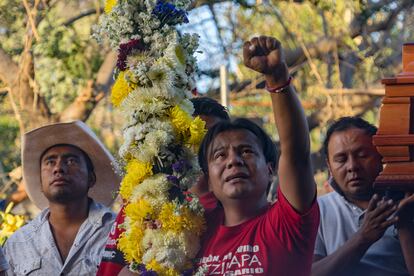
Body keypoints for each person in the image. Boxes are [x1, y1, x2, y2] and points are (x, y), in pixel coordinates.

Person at [192, 35, 319, 276]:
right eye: (220, 155)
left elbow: (296, 153)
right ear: (208, 180)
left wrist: (277, 77)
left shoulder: (287, 222)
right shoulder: (194, 231)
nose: (233, 160)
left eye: (246, 151)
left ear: (270, 168)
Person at [96, 97, 230, 276]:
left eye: (214, 137)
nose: (203, 145)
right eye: (193, 135)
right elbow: (111, 271)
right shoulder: (142, 204)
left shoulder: (233, 208)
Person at [4, 121, 120, 276]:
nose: (58, 168)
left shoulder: (119, 232)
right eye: (50, 162)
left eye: (71, 161)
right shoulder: (17, 244)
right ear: (40, 183)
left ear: (91, 178)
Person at [312, 116, 414, 276]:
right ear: (329, 166)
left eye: (362, 155)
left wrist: (406, 224)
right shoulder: (316, 211)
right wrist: (363, 237)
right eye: (341, 159)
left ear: (381, 157)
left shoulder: (407, 201)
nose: (352, 166)